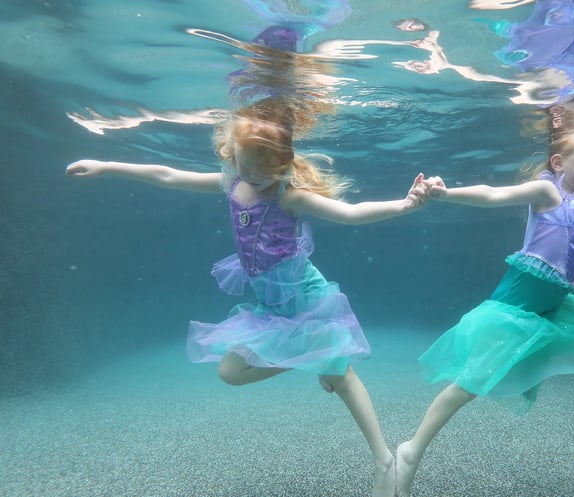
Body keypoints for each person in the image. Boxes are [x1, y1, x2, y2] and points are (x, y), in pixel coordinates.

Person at [66, 97, 427, 497]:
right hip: (269, 303)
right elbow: (167, 174)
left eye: (264, 170)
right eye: (245, 166)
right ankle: (316, 357)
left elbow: (351, 213)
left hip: (304, 295)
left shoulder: (289, 196)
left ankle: (383, 459)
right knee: (231, 372)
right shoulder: (231, 182)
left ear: (284, 165)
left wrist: (406, 205)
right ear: (230, 153)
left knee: (342, 379)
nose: (253, 177)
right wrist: (106, 166)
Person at [394, 118, 574, 497]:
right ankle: (411, 449)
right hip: (512, 308)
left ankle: (411, 450)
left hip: (547, 311)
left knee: (479, 380)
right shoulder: (547, 193)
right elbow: (492, 194)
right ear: (560, 162)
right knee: (469, 383)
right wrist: (445, 194)